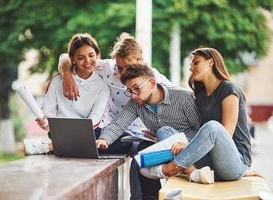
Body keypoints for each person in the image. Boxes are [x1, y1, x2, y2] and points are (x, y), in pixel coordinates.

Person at [58, 33, 173, 199]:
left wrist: (160, 129)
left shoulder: (154, 78)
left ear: (141, 62)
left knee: (143, 156)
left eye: (128, 68)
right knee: (88, 142)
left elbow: (175, 101)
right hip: (113, 131)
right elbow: (65, 57)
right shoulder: (107, 68)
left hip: (142, 135)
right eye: (119, 67)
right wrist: (67, 76)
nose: (123, 73)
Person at [140, 47, 258, 183]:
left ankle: (173, 168)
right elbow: (196, 130)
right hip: (208, 161)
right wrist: (170, 140)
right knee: (164, 131)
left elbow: (226, 134)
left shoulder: (229, 90)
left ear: (211, 62)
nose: (191, 68)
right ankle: (194, 173)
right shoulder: (200, 95)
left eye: (195, 62)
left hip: (234, 162)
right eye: (191, 64)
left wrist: (188, 146)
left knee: (213, 127)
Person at [95, 63, 202, 199]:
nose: (133, 95)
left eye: (136, 89)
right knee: (140, 157)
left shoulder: (183, 97)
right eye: (130, 91)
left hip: (191, 154)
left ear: (151, 83)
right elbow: (118, 124)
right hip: (166, 154)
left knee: (163, 132)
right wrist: (104, 139)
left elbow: (200, 131)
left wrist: (181, 142)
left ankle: (191, 172)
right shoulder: (136, 103)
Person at [23, 33, 110, 155]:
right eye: (81, 58)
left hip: (89, 132)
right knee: (92, 145)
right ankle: (55, 145)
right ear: (72, 59)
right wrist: (46, 123)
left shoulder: (103, 87)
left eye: (91, 55)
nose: (87, 61)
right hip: (60, 132)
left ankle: (48, 147)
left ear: (98, 55)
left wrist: (77, 131)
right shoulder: (58, 81)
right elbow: (48, 112)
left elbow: (95, 119)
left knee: (100, 140)